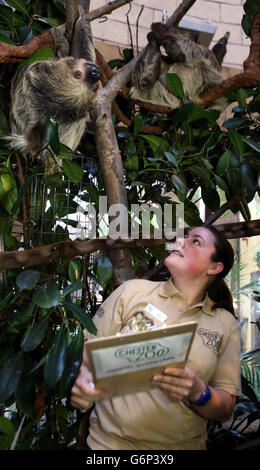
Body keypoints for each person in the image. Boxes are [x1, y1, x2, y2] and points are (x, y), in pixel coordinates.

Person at [71, 226, 241, 450]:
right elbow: (88, 354)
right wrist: (84, 378)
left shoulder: (225, 323)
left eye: (196, 242)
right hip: (106, 446)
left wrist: (199, 392)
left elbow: (226, 408)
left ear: (214, 267)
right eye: (183, 237)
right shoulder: (131, 292)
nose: (180, 242)